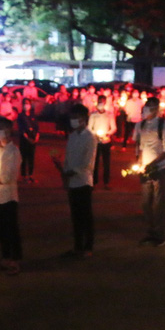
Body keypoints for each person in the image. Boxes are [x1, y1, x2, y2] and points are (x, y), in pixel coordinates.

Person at [53, 104, 97, 257]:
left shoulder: (90, 137)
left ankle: (88, 247)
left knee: (85, 216)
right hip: (72, 181)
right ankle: (77, 246)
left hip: (83, 181)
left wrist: (71, 172)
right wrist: (62, 168)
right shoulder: (72, 136)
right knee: (75, 216)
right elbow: (69, 158)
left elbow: (87, 163)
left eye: (76, 118)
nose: (73, 121)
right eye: (71, 118)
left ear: (84, 119)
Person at [132, 97, 165, 247]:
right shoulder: (141, 125)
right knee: (146, 203)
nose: (146, 110)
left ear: (156, 109)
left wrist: (152, 164)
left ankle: (160, 235)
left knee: (158, 203)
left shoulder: (163, 126)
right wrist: (139, 162)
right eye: (145, 106)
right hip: (145, 169)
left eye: (150, 107)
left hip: (159, 169)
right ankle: (150, 232)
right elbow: (139, 146)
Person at [0, 121, 23, 275]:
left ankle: (15, 260)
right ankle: (5, 257)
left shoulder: (13, 151)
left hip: (8, 195)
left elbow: (9, 175)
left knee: (11, 229)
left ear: (8, 131)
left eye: (0, 129)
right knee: (0, 229)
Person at [88, 96, 117, 189]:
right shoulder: (93, 115)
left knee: (106, 163)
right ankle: (94, 182)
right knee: (95, 162)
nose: (101, 104)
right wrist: (95, 134)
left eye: (102, 102)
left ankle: (106, 182)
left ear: (105, 103)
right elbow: (89, 128)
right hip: (95, 141)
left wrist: (108, 134)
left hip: (106, 141)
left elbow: (114, 128)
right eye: (99, 102)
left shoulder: (109, 115)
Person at [17, 101, 39, 183]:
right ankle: (24, 176)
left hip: (33, 139)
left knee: (31, 158)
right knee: (23, 158)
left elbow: (36, 127)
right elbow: (21, 129)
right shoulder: (21, 116)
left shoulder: (33, 116)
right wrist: (27, 138)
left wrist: (36, 136)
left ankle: (30, 175)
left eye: (28, 104)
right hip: (24, 140)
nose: (26, 106)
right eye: (25, 104)